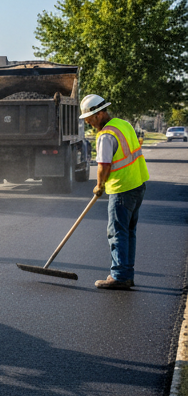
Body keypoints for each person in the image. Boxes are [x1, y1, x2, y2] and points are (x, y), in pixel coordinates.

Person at [79, 94, 149, 290]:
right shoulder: (123, 124)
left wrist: (99, 185)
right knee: (128, 232)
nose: (88, 122)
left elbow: (104, 165)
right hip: (138, 184)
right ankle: (126, 273)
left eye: (90, 118)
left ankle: (119, 276)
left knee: (117, 232)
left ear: (100, 114)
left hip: (122, 188)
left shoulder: (106, 135)